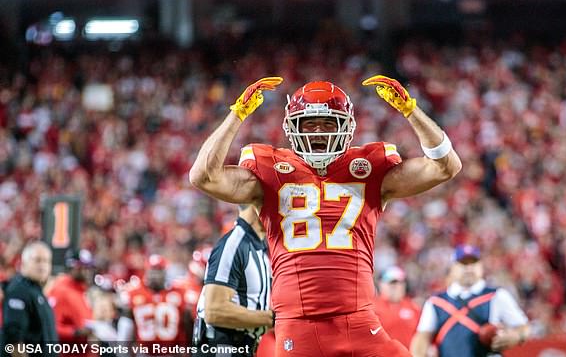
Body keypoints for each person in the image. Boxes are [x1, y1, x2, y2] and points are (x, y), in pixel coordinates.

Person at [190, 76, 462, 356]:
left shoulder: (369, 168)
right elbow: (203, 177)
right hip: (299, 326)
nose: (318, 131)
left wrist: (410, 110)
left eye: (328, 123)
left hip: (359, 320)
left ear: (346, 126)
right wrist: (237, 115)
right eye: (309, 123)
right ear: (292, 126)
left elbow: (446, 167)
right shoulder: (269, 169)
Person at [410, 245, 530, 357]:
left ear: (481, 266)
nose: (469, 268)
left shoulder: (496, 295)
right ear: (453, 267)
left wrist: (515, 336)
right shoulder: (435, 302)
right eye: (463, 263)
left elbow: (523, 327)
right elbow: (422, 337)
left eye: (473, 263)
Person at [194, 205, 272, 356]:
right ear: (256, 204)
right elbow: (215, 311)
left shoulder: (259, 248)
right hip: (222, 346)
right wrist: (272, 317)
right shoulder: (235, 243)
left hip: (242, 346)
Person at [117, 254, 192, 354]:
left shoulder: (179, 293)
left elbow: (187, 326)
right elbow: (125, 331)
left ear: (165, 272)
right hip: (144, 352)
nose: (155, 275)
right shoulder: (133, 293)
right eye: (152, 270)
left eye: (159, 270)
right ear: (146, 271)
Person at [1, 241, 58, 357]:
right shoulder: (19, 290)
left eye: (46, 261)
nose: (42, 265)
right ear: (24, 263)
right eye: (37, 260)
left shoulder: (36, 291)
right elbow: (14, 338)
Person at [46, 249, 95, 354]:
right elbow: (50, 327)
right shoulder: (60, 291)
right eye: (83, 267)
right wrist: (76, 332)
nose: (88, 271)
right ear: (72, 267)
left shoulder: (82, 290)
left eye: (89, 267)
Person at [373, 266, 422, 349]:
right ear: (381, 284)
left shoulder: (413, 307)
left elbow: (421, 335)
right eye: (392, 283)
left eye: (399, 283)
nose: (396, 286)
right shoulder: (372, 307)